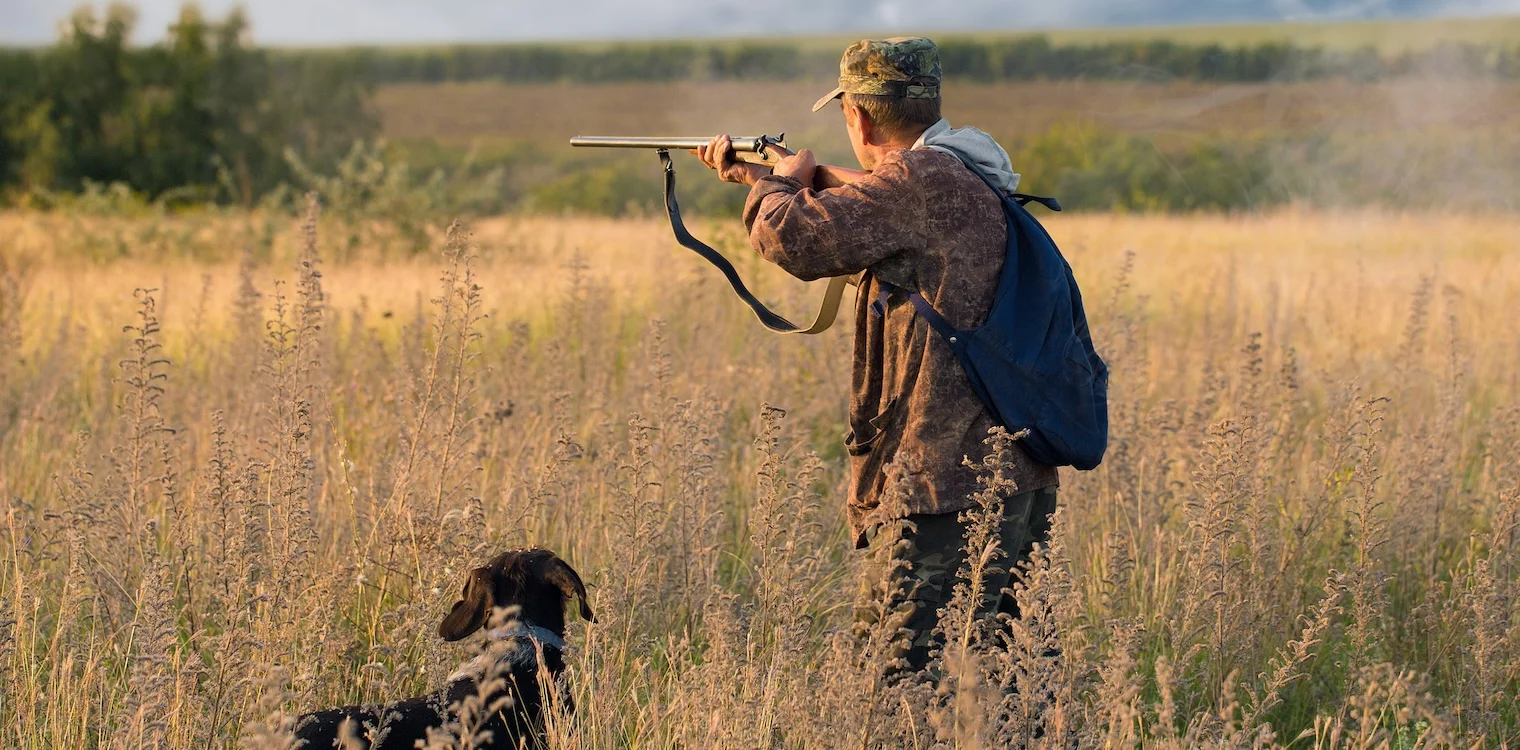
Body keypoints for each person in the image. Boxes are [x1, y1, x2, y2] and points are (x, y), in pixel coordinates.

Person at [692, 37, 1059, 675]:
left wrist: (775, 183)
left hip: (940, 487)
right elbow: (857, 221)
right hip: (1009, 475)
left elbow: (795, 239)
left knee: (899, 691)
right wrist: (771, 178)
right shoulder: (963, 171)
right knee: (1004, 682)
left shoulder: (918, 182)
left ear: (857, 117)